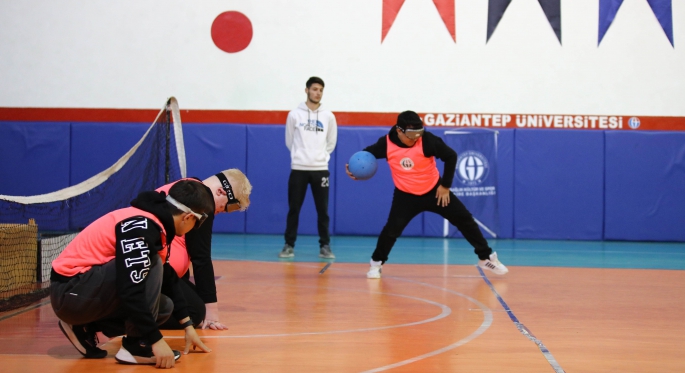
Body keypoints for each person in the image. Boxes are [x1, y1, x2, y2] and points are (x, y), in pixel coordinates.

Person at [50, 180, 214, 368]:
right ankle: (136, 347)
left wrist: (187, 325)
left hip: (80, 290)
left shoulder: (155, 222)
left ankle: (85, 328)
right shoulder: (142, 228)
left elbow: (169, 278)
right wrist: (154, 340)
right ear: (187, 217)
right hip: (70, 292)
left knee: (164, 307)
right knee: (151, 264)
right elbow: (131, 289)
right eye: (199, 222)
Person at [345, 111, 509, 278]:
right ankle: (375, 264)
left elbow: (450, 156)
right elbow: (366, 156)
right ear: (399, 131)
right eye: (411, 134)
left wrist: (445, 186)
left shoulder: (427, 140)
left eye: (418, 133)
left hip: (435, 192)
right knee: (391, 231)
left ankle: (485, 258)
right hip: (405, 196)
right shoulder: (386, 144)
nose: (415, 138)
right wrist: (353, 169)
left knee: (465, 220)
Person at [157, 169, 252, 331]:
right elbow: (201, 257)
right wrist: (212, 312)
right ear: (221, 191)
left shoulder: (187, 184)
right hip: (155, 271)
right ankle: (132, 317)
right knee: (194, 314)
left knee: (194, 300)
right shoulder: (202, 200)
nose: (220, 212)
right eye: (224, 207)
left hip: (155, 268)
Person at [279, 76, 338, 259]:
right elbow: (290, 141)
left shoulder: (328, 116)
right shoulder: (294, 115)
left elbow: (331, 142)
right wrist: (300, 156)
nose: (317, 93)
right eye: (314, 89)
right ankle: (289, 245)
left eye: (320, 90)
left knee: (323, 210)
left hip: (320, 169)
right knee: (294, 208)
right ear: (306, 90)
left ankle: (325, 246)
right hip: (299, 168)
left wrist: (321, 157)